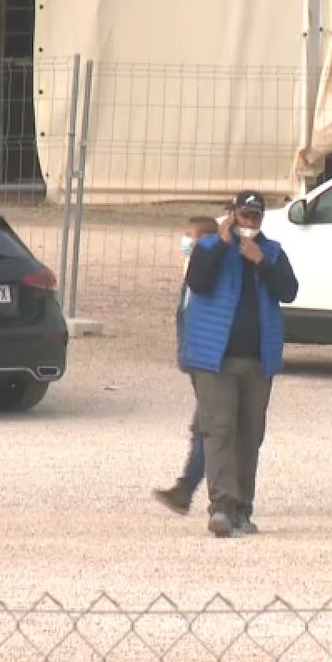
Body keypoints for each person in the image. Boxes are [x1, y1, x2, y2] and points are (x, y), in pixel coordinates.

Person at [180, 191, 299, 538]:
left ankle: (243, 510)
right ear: (232, 215)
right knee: (219, 431)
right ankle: (221, 508)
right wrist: (221, 243)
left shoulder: (272, 251)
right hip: (214, 359)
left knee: (249, 436)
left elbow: (289, 291)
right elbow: (197, 282)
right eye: (244, 216)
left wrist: (261, 260)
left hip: (257, 360)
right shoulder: (209, 249)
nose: (250, 223)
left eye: (255, 218)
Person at [152, 215, 221, 516]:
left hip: (211, 362)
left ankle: (191, 489)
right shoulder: (193, 269)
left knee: (206, 427)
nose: (185, 242)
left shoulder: (209, 270)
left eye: (189, 236)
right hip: (197, 361)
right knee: (207, 427)